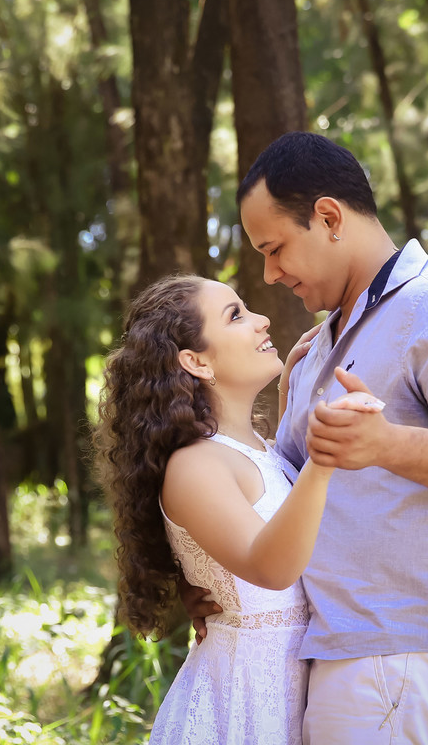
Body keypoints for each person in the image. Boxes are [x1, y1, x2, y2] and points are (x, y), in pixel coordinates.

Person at [186, 131, 428, 744]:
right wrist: (218, 584)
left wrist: (386, 444)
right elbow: (284, 500)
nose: (269, 274)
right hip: (344, 650)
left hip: (398, 653)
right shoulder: (319, 347)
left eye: (275, 249)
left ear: (328, 218)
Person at [95, 274, 382, 744]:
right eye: (236, 315)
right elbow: (271, 569)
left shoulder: (259, 451)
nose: (262, 320)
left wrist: (290, 395)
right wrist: (324, 457)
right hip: (240, 703)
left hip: (294, 693)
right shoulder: (195, 465)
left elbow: (274, 504)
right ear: (196, 361)